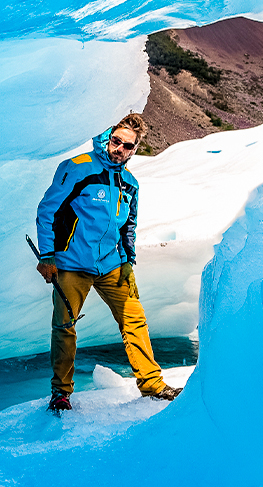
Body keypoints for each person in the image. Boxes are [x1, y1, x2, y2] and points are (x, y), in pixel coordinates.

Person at [33, 113, 181, 413]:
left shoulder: (130, 183)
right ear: (108, 137)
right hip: (72, 264)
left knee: (134, 319)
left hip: (111, 265)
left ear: (136, 149)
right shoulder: (77, 169)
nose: (120, 149)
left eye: (128, 146)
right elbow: (47, 210)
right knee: (65, 326)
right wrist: (47, 256)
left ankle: (151, 384)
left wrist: (128, 260)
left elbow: (129, 226)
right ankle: (61, 392)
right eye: (117, 141)